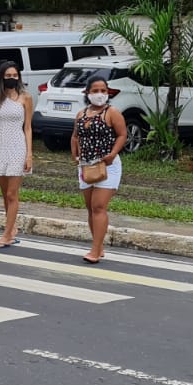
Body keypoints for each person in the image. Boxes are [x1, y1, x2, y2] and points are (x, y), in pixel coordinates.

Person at [74, 76, 127, 263]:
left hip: (107, 165)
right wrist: (76, 155)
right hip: (86, 166)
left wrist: (112, 153)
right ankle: (99, 244)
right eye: (95, 90)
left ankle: (95, 250)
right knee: (90, 208)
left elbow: (122, 135)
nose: (99, 94)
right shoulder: (81, 114)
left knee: (98, 206)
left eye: (103, 91)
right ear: (87, 93)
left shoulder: (112, 113)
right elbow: (76, 136)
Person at [0, 60, 33, 248]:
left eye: (15, 75)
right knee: (5, 193)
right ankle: (11, 227)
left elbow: (28, 127)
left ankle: (7, 235)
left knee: (13, 193)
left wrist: (29, 154)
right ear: (2, 78)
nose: (12, 79)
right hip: (1, 147)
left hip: (17, 145)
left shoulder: (25, 98)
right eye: (8, 76)